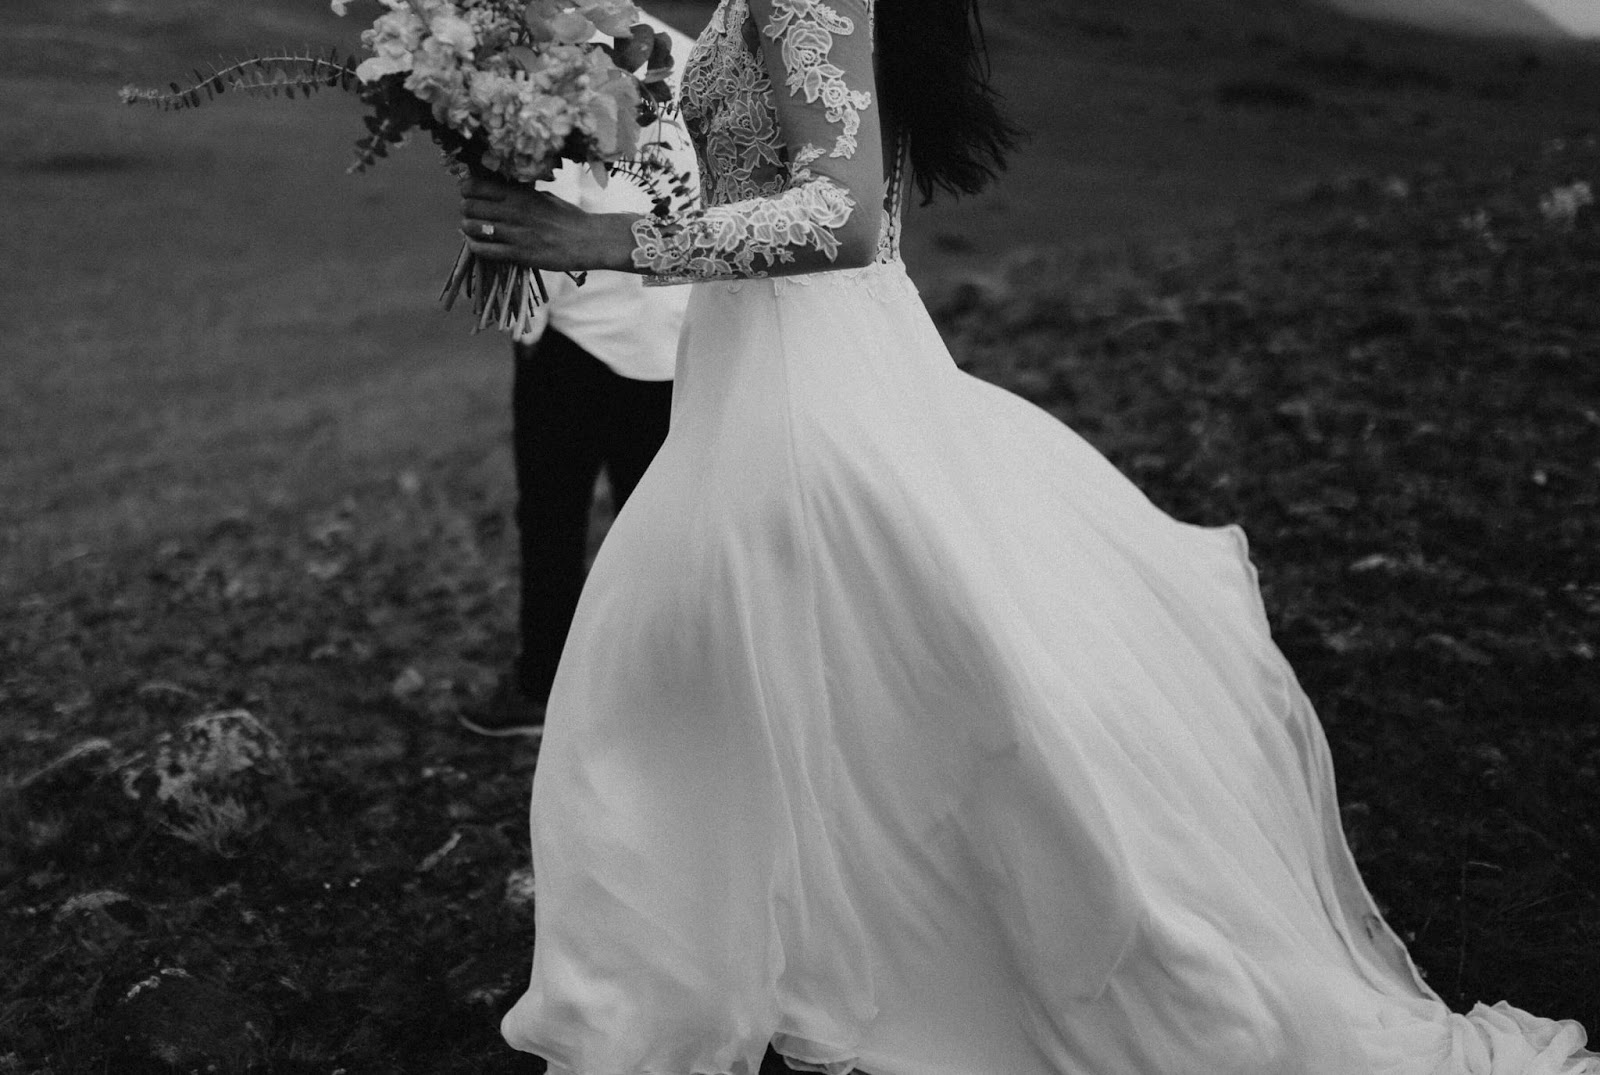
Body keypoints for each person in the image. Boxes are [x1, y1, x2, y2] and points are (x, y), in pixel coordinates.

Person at [459, 0, 1600, 1072]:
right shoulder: (745, 5)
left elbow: (840, 215)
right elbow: (726, 158)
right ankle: (789, 947)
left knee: (754, 653)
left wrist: (605, 243)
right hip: (745, 368)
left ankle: (820, 956)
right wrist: (524, 126)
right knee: (770, 659)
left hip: (812, 382)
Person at [457, 14, 700, 740]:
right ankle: (653, 689)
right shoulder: (679, 52)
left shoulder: (582, 64)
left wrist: (530, 309)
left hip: (589, 339)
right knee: (646, 525)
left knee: (561, 517)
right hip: (664, 332)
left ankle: (551, 684)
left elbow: (598, 205)